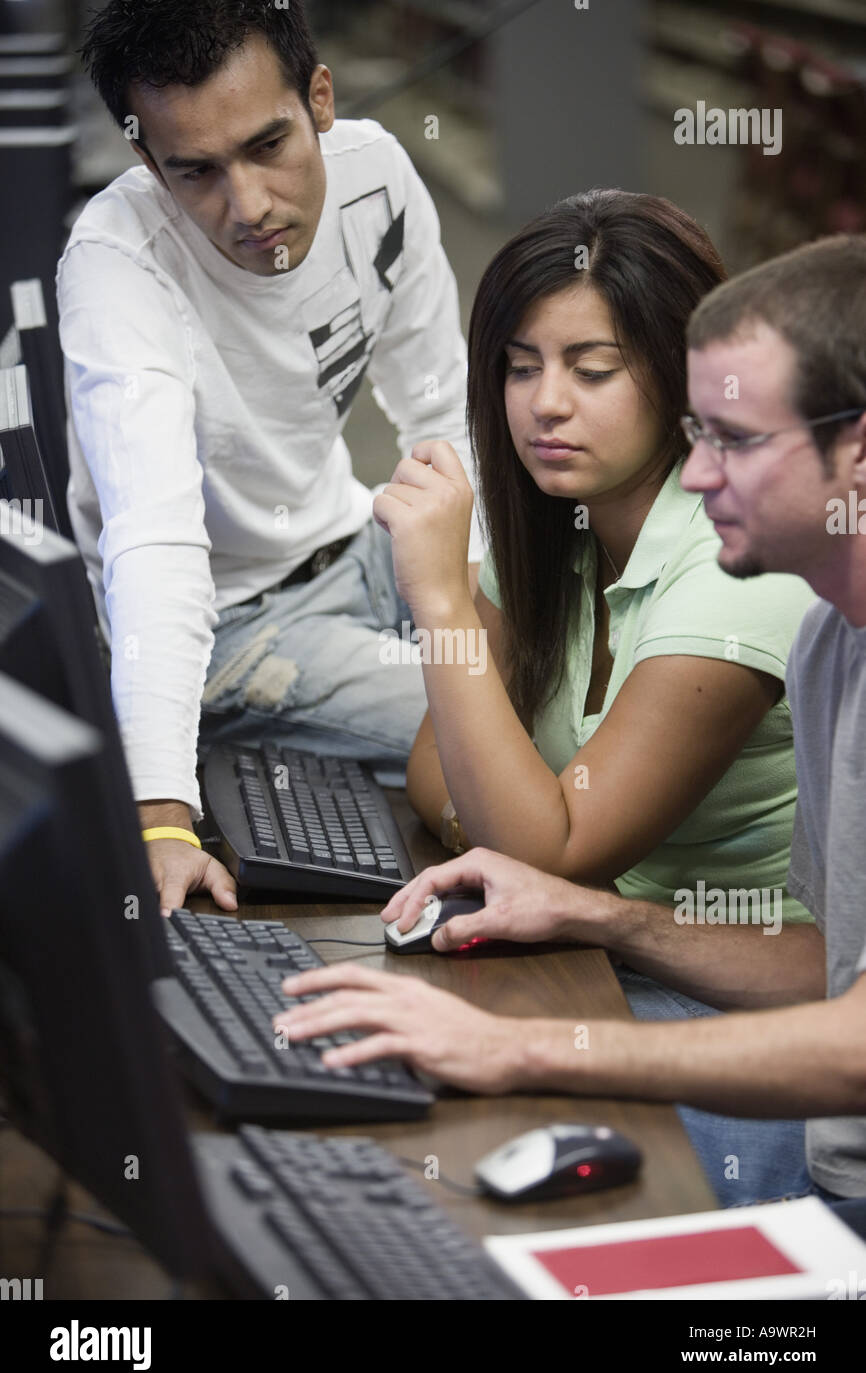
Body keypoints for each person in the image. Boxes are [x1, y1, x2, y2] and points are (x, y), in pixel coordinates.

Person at [273, 233, 866, 1212]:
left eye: (734, 440)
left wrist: (521, 1045)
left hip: (830, 1172)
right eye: (697, 433)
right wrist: (592, 914)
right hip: (825, 1142)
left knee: (425, 1151)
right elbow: (819, 966)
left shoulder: (756, 599)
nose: (700, 473)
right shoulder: (829, 637)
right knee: (370, 1139)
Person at [60, 0, 483, 915]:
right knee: (515, 738)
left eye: (267, 146)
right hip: (240, 629)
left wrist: (481, 599)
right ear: (145, 159)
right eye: (196, 171)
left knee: (592, 666)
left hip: (365, 538)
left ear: (320, 99)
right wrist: (163, 817)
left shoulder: (376, 176)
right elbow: (156, 539)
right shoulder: (116, 263)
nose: (248, 205)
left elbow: (440, 409)